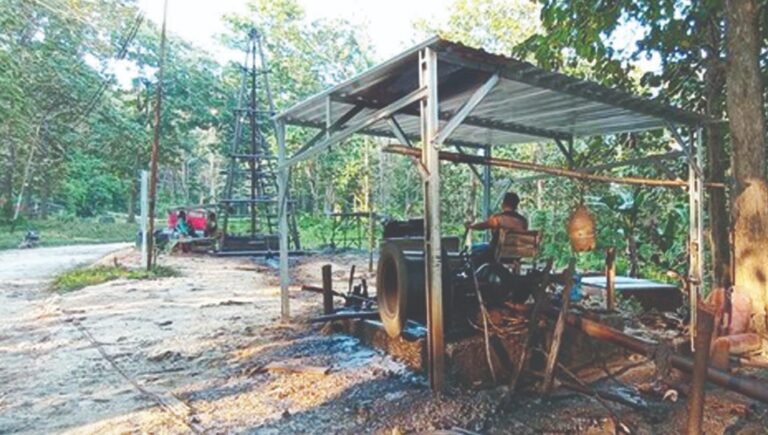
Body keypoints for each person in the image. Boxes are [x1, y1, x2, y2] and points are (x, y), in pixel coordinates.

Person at [465, 191, 528, 263]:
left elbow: (483, 226)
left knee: (474, 248)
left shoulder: (498, 218)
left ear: (504, 204)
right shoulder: (523, 221)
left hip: (497, 252)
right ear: (516, 205)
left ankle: (479, 273)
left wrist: (470, 226)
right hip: (516, 254)